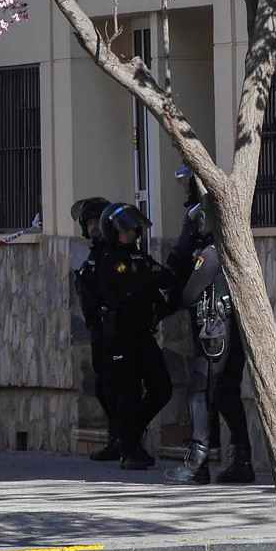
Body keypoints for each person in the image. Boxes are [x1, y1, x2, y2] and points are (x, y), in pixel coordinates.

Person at [164, 188, 255, 485]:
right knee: (228, 394)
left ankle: (197, 461)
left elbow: (189, 294)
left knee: (200, 393)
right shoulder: (234, 251)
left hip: (214, 334)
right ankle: (242, 459)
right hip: (232, 335)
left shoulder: (210, 255)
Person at [84, 203, 176, 469]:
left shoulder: (139, 258)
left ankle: (131, 435)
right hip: (118, 338)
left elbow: (164, 280)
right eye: (128, 231)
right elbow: (124, 292)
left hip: (142, 335)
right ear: (113, 232)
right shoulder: (106, 261)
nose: (134, 235)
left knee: (162, 388)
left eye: (135, 231)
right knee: (128, 393)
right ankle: (129, 450)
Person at [72, 196, 121, 462]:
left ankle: (124, 438)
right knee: (104, 387)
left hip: (116, 332)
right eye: (89, 222)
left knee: (117, 387)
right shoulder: (95, 254)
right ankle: (117, 437)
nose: (93, 228)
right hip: (99, 331)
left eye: (96, 222)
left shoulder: (112, 253)